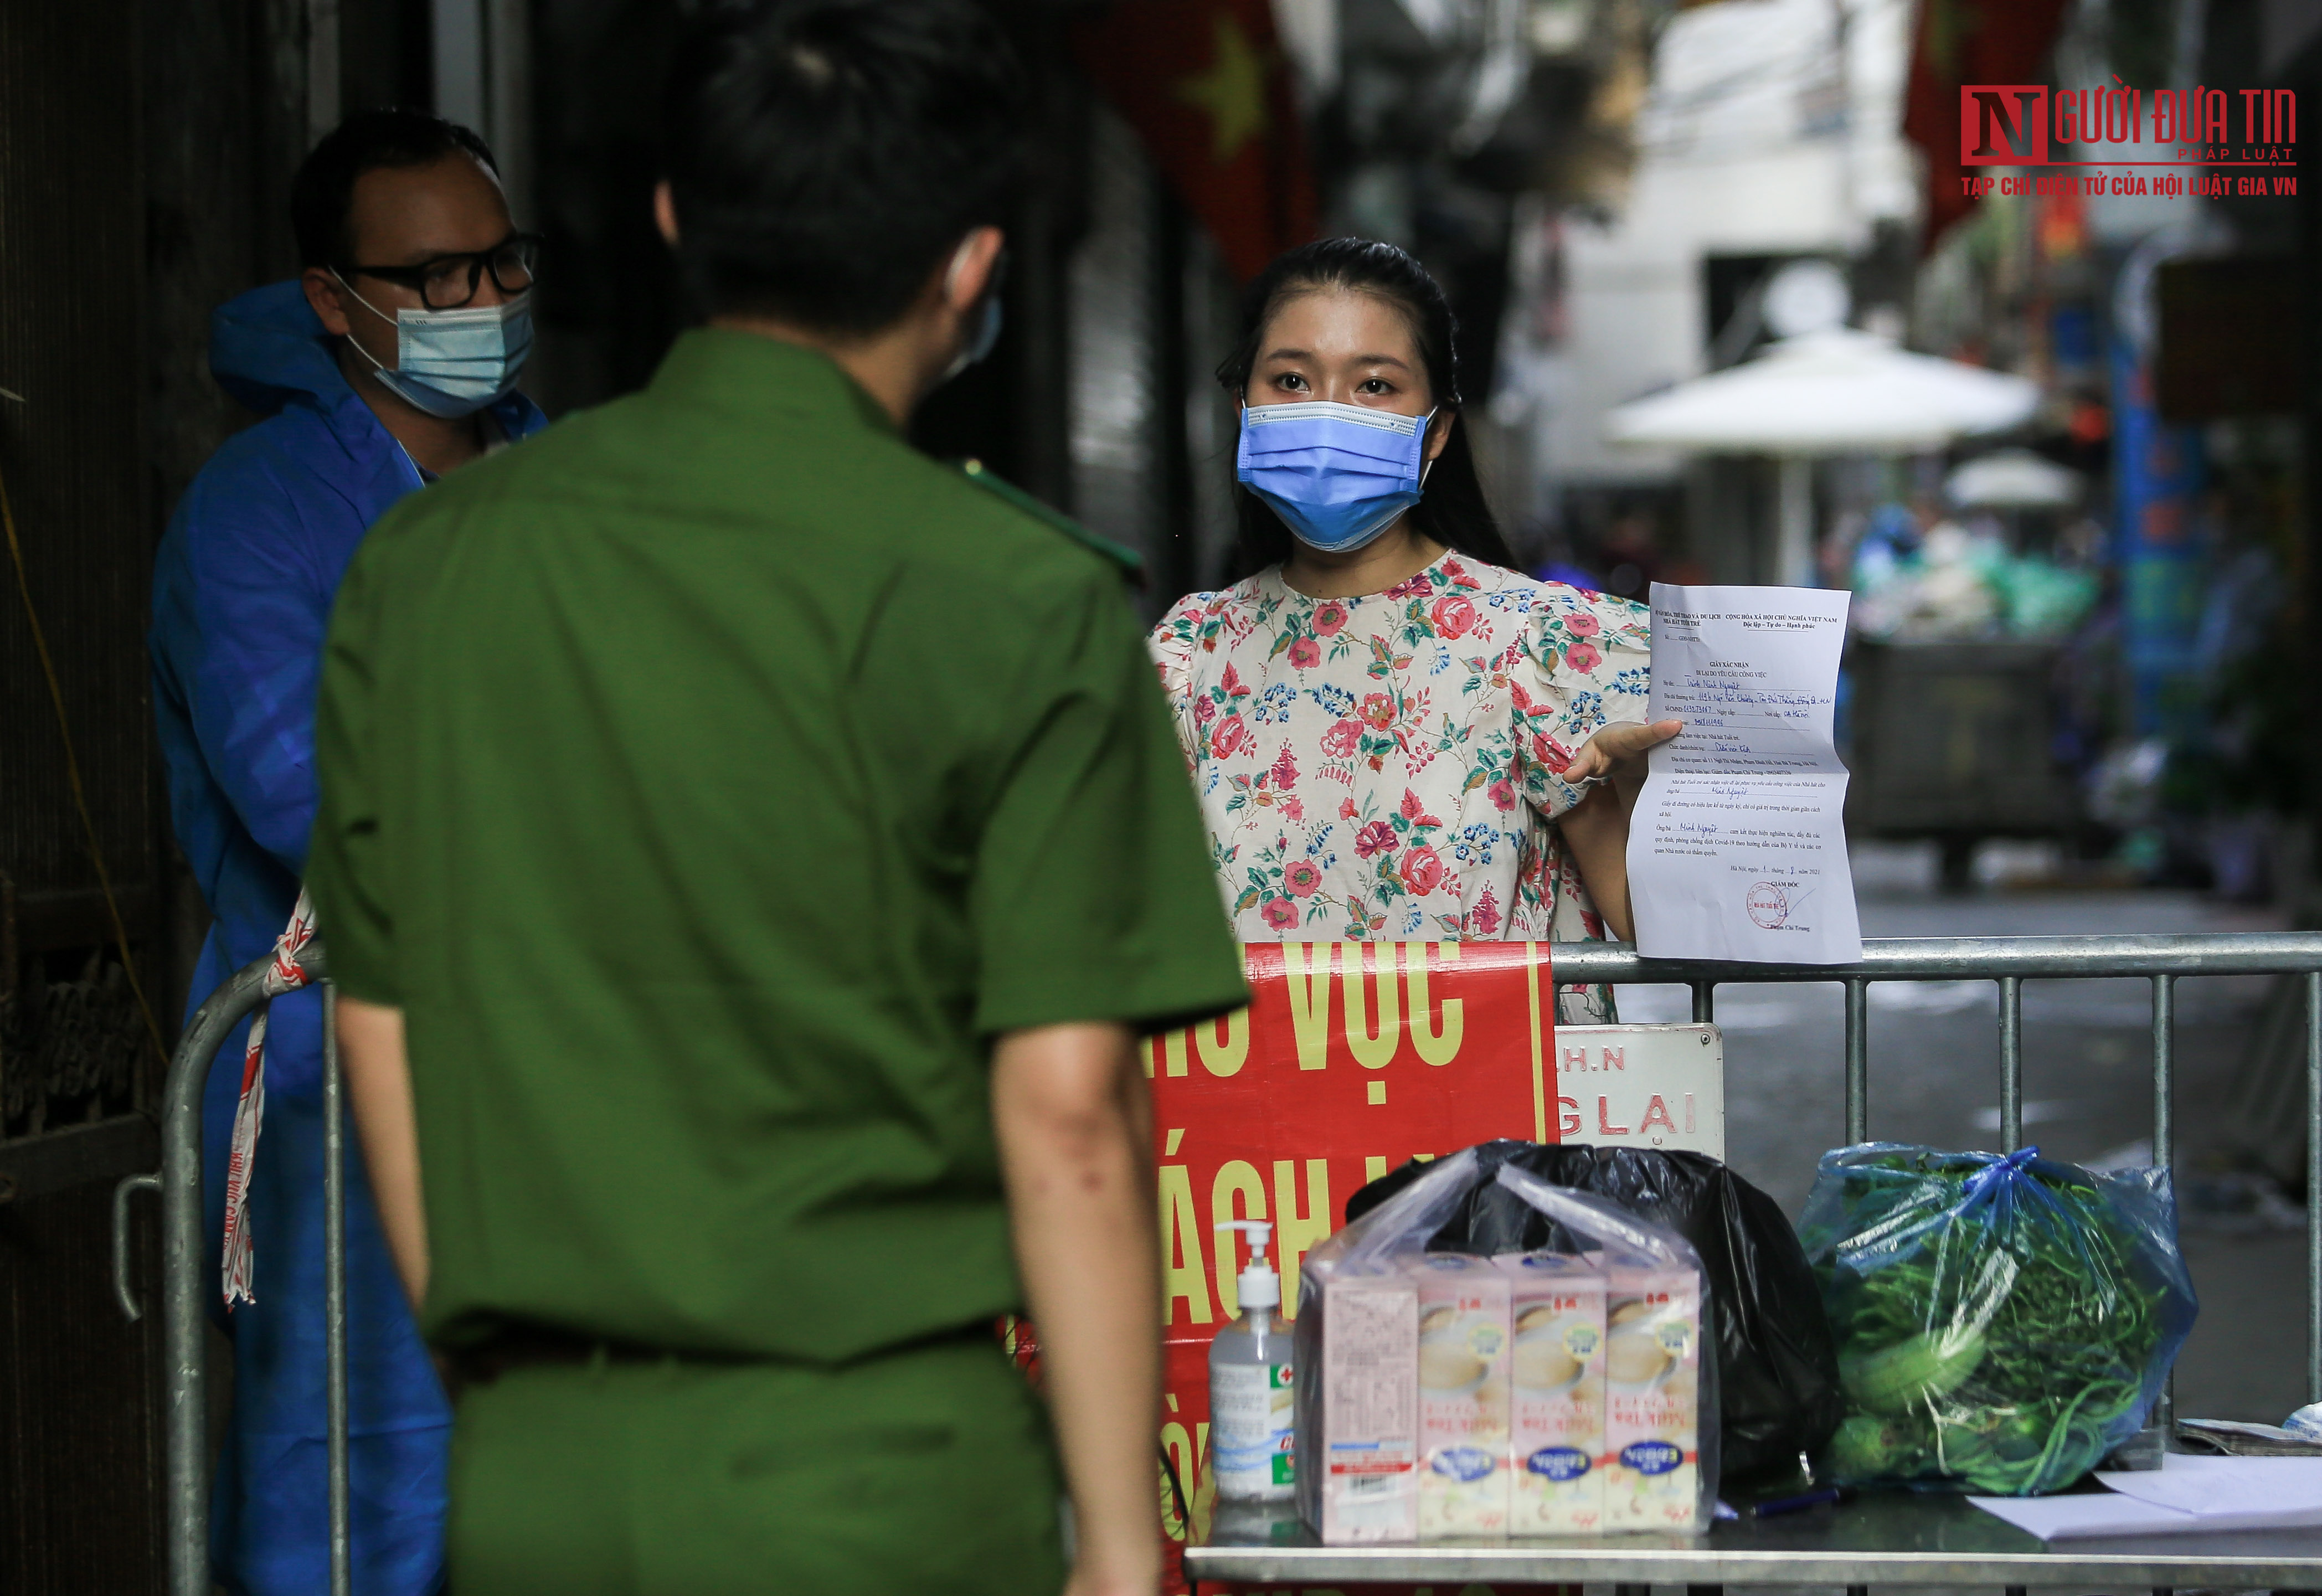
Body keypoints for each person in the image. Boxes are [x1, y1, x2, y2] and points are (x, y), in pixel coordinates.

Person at [306, 4, 1248, 1594]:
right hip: (880, 1478)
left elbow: (379, 1024)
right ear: (969, 269)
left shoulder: (424, 568)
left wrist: (509, 1397)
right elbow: (1069, 1117)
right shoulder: (1026, 598)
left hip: (542, 1481)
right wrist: (1112, 1537)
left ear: (677, 220)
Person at [150, 109, 544, 1596]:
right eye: (433, 277)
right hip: (337, 1100)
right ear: (333, 301)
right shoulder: (255, 515)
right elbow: (307, 791)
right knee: (357, 1520)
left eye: (499, 264)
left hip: (579, 1082)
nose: (478, 304)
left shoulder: (570, 488)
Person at [1149, 239, 1677, 992]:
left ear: (1435, 432)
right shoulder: (1188, 654)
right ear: (1245, 407)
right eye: (1292, 379)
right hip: (1254, 1105)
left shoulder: (1539, 644)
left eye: (1373, 385)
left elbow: (1665, 925)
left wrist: (1637, 787)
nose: (1327, 413)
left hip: (1491, 1110)